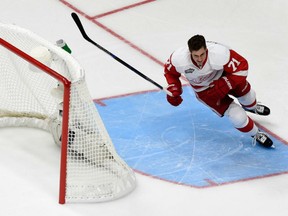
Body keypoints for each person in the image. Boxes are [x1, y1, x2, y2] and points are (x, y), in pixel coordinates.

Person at [164, 34, 273, 148]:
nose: (200, 59)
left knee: (248, 97)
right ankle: (256, 133)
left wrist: (225, 83)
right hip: (205, 91)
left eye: (202, 54)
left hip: (225, 76)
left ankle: (252, 107)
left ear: (206, 49)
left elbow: (242, 67)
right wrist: (174, 88)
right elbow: (170, 72)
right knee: (238, 118)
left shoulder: (219, 53)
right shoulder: (179, 59)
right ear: (190, 52)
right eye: (196, 56)